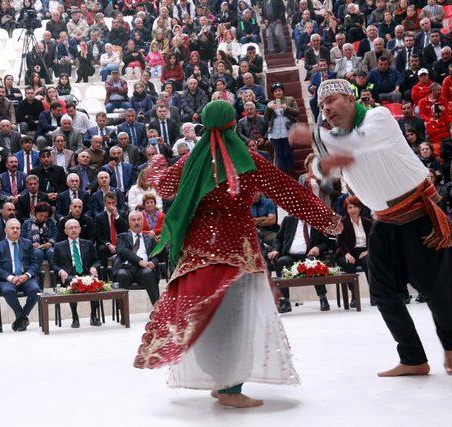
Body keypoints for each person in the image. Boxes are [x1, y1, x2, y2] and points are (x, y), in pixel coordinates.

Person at [134, 101, 341, 407]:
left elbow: (164, 188)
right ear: (233, 124)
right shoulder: (248, 158)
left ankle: (221, 382)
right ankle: (231, 389)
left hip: (199, 250)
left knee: (207, 315)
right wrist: (327, 220)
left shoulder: (191, 160)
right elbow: (289, 192)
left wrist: (157, 166)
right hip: (238, 249)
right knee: (238, 318)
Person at [289, 79, 452, 376]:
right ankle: (413, 358)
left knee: (439, 289)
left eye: (330, 102)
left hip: (419, 214)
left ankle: (449, 344)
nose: (326, 109)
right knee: (382, 293)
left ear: (348, 98)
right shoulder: (336, 136)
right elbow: (319, 168)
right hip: (383, 222)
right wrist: (325, 163)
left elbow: (357, 143)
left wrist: (317, 137)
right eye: (321, 107)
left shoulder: (378, 117)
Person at [51, 218, 101, 328]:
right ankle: (75, 317)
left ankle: (93, 316)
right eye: (70, 228)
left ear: (80, 230)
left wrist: (93, 267)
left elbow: (96, 260)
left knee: (94, 281)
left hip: (86, 273)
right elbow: (54, 264)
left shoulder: (88, 244)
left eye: (75, 227)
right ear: (65, 231)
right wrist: (60, 271)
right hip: (69, 275)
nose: (73, 230)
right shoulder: (59, 246)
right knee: (71, 281)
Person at [0, 218, 40, 331]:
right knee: (8, 291)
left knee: (35, 290)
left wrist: (27, 275)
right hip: (8, 279)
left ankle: (22, 317)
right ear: (6, 230)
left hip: (26, 278)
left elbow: (34, 264)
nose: (15, 230)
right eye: (12, 228)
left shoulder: (27, 243)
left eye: (17, 228)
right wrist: (11, 278)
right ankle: (21, 316)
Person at [113, 210, 160, 305]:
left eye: (139, 219)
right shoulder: (123, 236)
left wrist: (153, 263)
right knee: (121, 274)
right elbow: (122, 251)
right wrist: (138, 260)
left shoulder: (150, 238)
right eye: (133, 220)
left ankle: (158, 309)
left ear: (143, 222)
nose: (136, 222)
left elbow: (156, 256)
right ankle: (122, 312)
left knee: (148, 273)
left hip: (143, 270)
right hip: (126, 268)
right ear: (129, 222)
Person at [336, 196, 372, 307]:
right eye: (350, 207)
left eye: (355, 207)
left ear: (360, 208)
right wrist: (346, 254)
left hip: (364, 251)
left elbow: (374, 239)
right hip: (346, 251)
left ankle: (374, 295)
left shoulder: (368, 222)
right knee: (348, 263)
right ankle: (354, 296)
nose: (353, 210)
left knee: (368, 261)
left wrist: (368, 251)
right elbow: (340, 241)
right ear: (346, 210)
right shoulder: (342, 222)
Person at [22, 201, 57, 270]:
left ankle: (55, 275)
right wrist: (31, 245)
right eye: (41, 215)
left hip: (48, 247)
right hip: (33, 248)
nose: (43, 218)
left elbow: (55, 234)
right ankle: (35, 275)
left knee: (51, 252)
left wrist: (50, 243)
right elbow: (23, 238)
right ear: (36, 213)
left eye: (45, 216)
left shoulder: (51, 222)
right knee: (38, 253)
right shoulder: (27, 223)